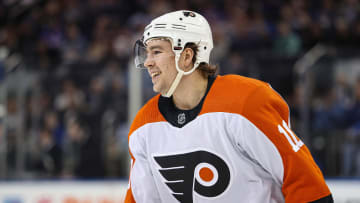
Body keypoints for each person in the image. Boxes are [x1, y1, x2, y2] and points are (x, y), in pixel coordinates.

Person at [125, 10, 333, 203]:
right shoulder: (144, 125)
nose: (148, 62)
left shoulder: (246, 103)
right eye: (147, 53)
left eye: (156, 52)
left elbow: (307, 186)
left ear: (187, 56)